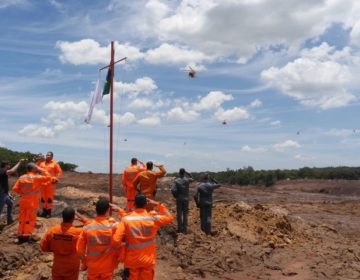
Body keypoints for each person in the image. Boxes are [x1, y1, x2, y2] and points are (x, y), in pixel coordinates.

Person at [113, 194, 173, 280]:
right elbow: (170, 217)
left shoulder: (126, 219)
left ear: (134, 205)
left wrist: (121, 250)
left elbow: (116, 240)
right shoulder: (153, 219)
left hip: (132, 260)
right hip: (148, 260)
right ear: (146, 204)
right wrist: (157, 204)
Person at [12, 162, 58, 243]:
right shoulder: (37, 177)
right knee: (30, 219)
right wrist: (41, 168)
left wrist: (23, 193)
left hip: (23, 201)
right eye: (36, 168)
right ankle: (26, 236)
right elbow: (49, 176)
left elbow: (15, 189)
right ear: (33, 168)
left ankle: (20, 236)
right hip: (32, 202)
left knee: (22, 218)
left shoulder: (22, 177)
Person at [40, 207, 90, 280]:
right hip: (72, 266)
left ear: (62, 217)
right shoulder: (78, 232)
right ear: (73, 218)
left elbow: (43, 247)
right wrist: (83, 219)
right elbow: (91, 227)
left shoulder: (52, 231)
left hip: (57, 265)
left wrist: (55, 249)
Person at [76, 198, 119, 280]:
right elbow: (129, 223)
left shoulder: (87, 228)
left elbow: (79, 250)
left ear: (96, 210)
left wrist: (84, 262)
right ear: (108, 210)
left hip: (92, 267)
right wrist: (120, 210)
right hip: (108, 266)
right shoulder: (113, 226)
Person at [0, 159, 24, 226]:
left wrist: (8, 193)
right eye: (8, 164)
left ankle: (9, 221)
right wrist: (19, 162)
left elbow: (3, 184)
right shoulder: (2, 170)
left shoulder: (3, 171)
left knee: (10, 203)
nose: (9, 166)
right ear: (6, 165)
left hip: (4, 194)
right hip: (1, 194)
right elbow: (12, 170)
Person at [38, 151, 63, 218]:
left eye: (49, 155)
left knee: (49, 199)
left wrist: (56, 179)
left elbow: (59, 173)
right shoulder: (42, 164)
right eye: (47, 155)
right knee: (43, 199)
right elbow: (37, 171)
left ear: (52, 157)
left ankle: (48, 213)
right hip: (42, 184)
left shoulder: (55, 164)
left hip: (50, 184)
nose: (48, 156)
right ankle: (44, 212)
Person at [171, 168, 194, 233]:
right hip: (186, 199)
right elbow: (193, 179)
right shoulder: (187, 180)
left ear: (179, 173)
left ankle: (179, 228)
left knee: (179, 214)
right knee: (185, 214)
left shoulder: (176, 180)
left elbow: (173, 189)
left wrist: (175, 196)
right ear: (184, 173)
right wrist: (188, 173)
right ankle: (184, 229)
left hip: (179, 199)